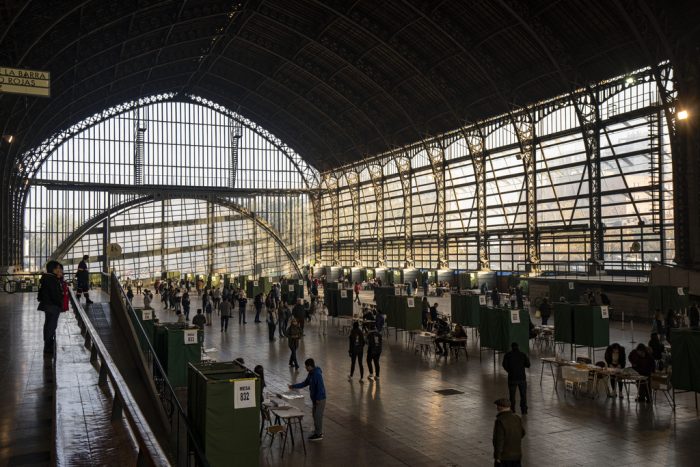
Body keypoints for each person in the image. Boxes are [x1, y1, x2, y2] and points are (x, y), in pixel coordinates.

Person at [288, 358, 326, 442]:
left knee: (317, 416)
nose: (305, 368)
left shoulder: (317, 374)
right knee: (315, 415)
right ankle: (317, 431)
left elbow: (320, 388)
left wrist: (318, 399)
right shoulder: (311, 374)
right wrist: (293, 386)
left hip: (320, 399)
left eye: (306, 366)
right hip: (315, 399)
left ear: (310, 366)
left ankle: (318, 434)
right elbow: (305, 383)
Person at [38, 260, 65, 355]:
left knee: (48, 324)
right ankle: (48, 346)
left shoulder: (49, 277)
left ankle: (48, 343)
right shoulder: (51, 279)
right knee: (51, 326)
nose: (59, 270)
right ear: (52, 269)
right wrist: (59, 304)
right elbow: (55, 295)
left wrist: (59, 278)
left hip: (48, 305)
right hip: (52, 306)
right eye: (57, 268)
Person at [492, 398, 525, 467]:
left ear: (501, 407)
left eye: (497, 406)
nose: (496, 407)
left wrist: (497, 457)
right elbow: (522, 433)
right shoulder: (517, 418)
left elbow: (499, 440)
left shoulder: (500, 421)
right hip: (517, 455)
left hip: (505, 457)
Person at [501, 342, 530, 414]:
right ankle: (524, 410)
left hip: (512, 378)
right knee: (523, 395)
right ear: (518, 347)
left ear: (511, 347)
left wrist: (509, 371)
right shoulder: (523, 354)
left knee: (512, 396)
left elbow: (504, 365)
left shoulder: (507, 355)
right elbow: (528, 365)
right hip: (522, 378)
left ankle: (512, 410)